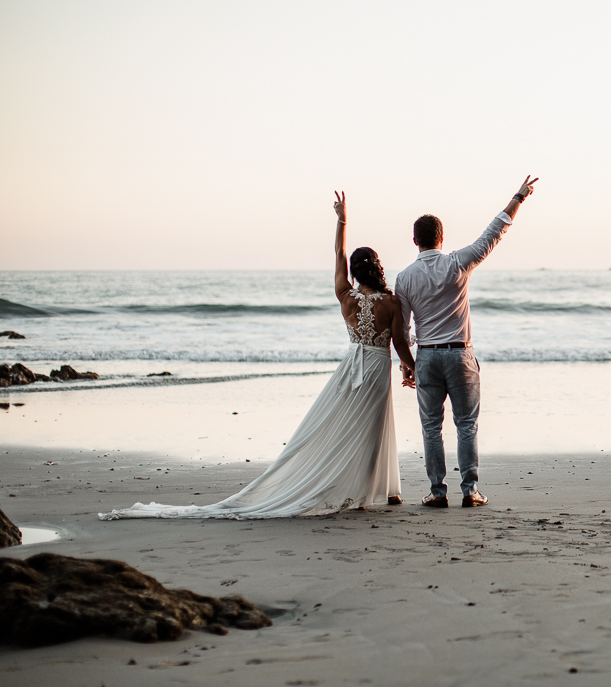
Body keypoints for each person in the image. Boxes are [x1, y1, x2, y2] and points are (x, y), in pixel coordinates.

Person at [99, 192, 405, 520]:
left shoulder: (345, 296)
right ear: (377, 269)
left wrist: (342, 219)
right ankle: (365, 491)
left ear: (355, 272)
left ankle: (359, 490)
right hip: (375, 367)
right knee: (370, 426)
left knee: (342, 425)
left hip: (350, 368)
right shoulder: (391, 303)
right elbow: (399, 341)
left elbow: (339, 252)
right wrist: (410, 368)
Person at [393, 176, 538, 508]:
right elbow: (493, 234)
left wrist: (407, 364)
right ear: (442, 238)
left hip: (427, 356)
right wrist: (519, 196)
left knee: (431, 427)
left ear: (415, 240)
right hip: (460, 355)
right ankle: (470, 491)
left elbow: (401, 330)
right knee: (466, 425)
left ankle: (436, 492)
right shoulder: (458, 262)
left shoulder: (404, 278)